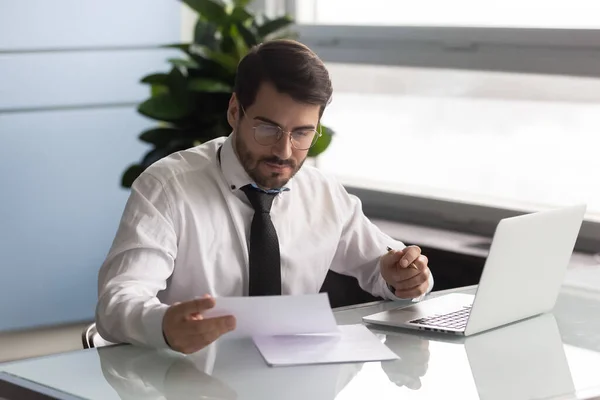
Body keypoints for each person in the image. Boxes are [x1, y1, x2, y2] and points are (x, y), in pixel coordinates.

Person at [96, 39, 433, 354]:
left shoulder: (323, 194)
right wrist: (164, 326)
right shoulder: (168, 187)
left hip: (294, 382)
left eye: (301, 133)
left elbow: (384, 268)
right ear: (234, 112)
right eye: (267, 128)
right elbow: (116, 303)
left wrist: (405, 277)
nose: (284, 151)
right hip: (185, 381)